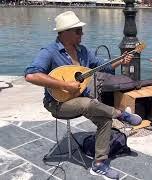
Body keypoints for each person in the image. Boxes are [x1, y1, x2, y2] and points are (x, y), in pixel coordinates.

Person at [25, 11, 142, 180]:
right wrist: (65, 85)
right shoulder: (50, 52)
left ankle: (99, 164)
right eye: (78, 30)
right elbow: (31, 75)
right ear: (65, 32)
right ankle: (122, 115)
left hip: (82, 98)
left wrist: (121, 61)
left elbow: (104, 67)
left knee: (104, 118)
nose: (82, 33)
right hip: (58, 103)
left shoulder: (83, 51)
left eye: (81, 30)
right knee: (89, 103)